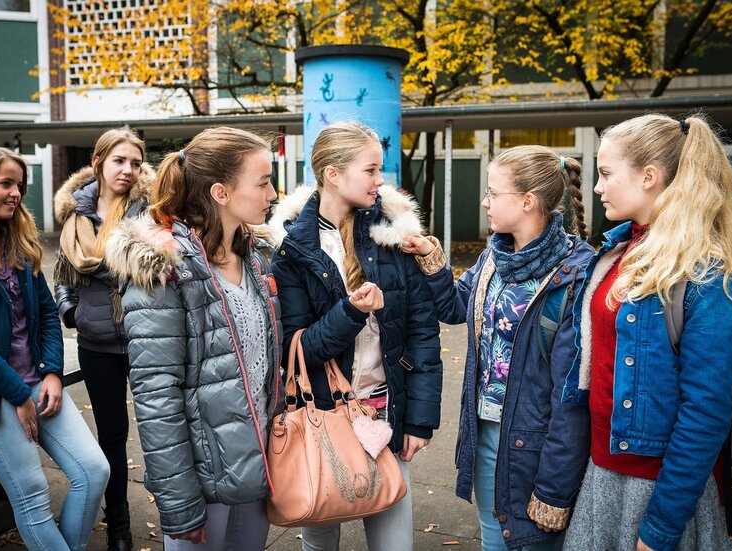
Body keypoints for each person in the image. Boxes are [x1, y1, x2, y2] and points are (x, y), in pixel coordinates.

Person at [561, 113, 732, 551]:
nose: (597, 187)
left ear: (649, 176)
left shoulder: (705, 275)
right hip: (602, 472)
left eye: (605, 174)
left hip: (660, 488)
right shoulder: (618, 251)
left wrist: (660, 528)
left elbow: (705, 412)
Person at [403, 145, 593, 550]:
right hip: (486, 430)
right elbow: (456, 308)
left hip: (538, 443)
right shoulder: (495, 255)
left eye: (493, 192)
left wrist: (554, 488)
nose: (485, 202)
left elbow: (570, 397)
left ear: (527, 201)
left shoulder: (576, 275)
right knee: (495, 539)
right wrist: (432, 260)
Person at [267, 121, 443, 551]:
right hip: (322, 418)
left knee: (394, 544)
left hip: (388, 416)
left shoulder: (392, 238)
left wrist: (419, 419)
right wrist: (352, 311)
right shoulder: (292, 251)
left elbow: (423, 332)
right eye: (370, 169)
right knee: (320, 540)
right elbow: (299, 350)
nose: (380, 180)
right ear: (332, 173)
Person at [104, 127, 282, 550]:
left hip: (254, 464)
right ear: (221, 192)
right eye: (263, 182)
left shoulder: (255, 258)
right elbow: (156, 394)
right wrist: (180, 503)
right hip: (201, 479)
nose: (273, 193)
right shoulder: (165, 267)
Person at [0, 146, 109, 550]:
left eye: (19, 185)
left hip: (35, 377)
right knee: (32, 492)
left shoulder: (18, 242)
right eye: (6, 183)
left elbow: (48, 315)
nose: (16, 193)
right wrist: (18, 395)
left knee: (94, 470)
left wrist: (51, 371)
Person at [53, 127, 153, 551]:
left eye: (134, 162)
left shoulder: (150, 211)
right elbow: (61, 276)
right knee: (111, 436)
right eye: (118, 161)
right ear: (98, 163)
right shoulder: (75, 215)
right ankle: (119, 527)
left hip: (147, 338)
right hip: (97, 343)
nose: (127, 170)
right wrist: (71, 312)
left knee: (161, 431)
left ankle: (182, 519)